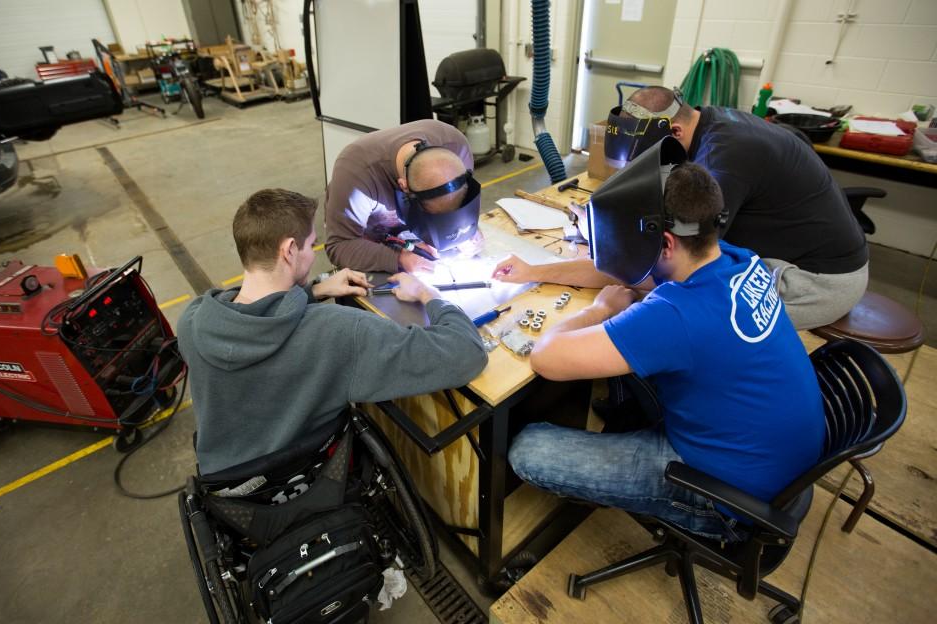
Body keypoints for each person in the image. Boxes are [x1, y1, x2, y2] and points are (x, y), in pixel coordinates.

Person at [507, 144, 825, 542]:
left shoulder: (676, 314)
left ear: (668, 243)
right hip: (776, 460)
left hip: (727, 497)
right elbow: (629, 272)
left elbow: (546, 358)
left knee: (529, 449)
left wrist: (600, 310)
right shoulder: (733, 258)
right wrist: (533, 271)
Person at [495, 86, 868, 330]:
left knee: (666, 298)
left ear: (672, 135)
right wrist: (537, 268)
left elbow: (653, 267)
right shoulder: (706, 124)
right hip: (789, 248)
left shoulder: (723, 163)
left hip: (817, 281)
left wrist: (557, 276)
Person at [178, 188, 488, 476]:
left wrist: (314, 291)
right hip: (309, 483)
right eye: (311, 245)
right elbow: (466, 354)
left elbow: (255, 319)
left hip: (228, 492)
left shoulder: (193, 322)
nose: (315, 255)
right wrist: (428, 294)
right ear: (288, 250)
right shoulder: (337, 331)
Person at [325, 119, 483, 274]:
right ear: (404, 186)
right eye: (432, 212)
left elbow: (454, 205)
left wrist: (465, 229)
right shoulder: (356, 177)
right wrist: (397, 259)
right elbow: (340, 246)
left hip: (412, 239)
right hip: (372, 240)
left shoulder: (457, 146)